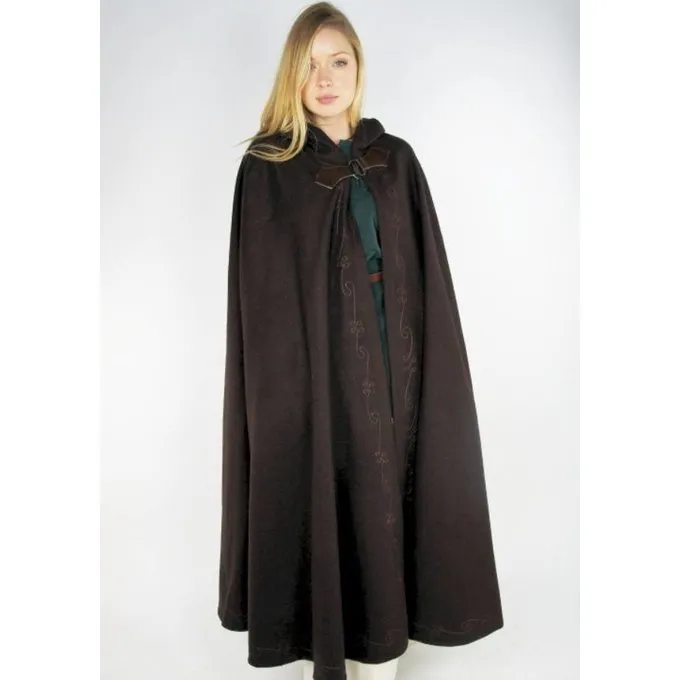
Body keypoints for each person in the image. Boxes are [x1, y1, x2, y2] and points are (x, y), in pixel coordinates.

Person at [217, 3, 504, 680]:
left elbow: (424, 278)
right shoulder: (268, 167)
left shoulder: (394, 160)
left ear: (358, 69)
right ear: (291, 75)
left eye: (338, 61)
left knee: (391, 499)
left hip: (397, 367)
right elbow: (262, 305)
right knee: (327, 496)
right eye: (310, 64)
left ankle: (382, 652)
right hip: (314, 377)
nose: (325, 78)